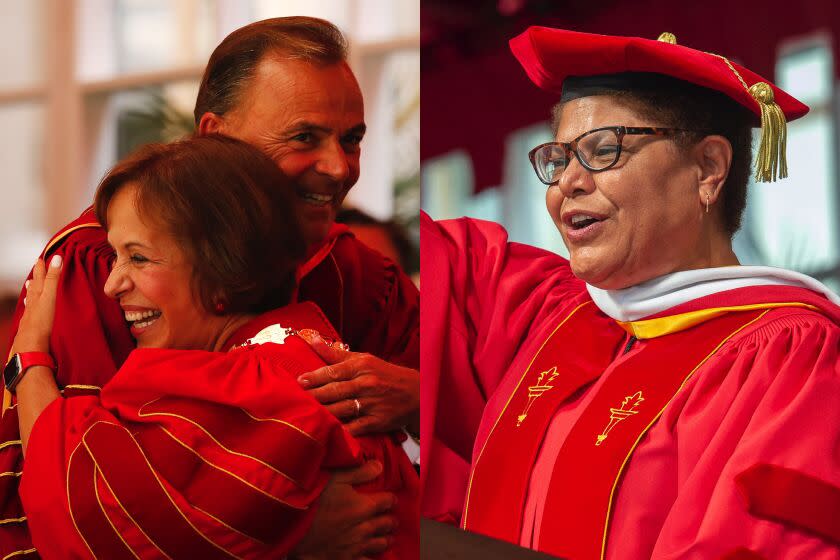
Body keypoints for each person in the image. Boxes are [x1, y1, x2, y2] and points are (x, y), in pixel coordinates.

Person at [0, 17, 419, 557]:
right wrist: (291, 541)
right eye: (304, 137)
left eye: (352, 139)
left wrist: (413, 395)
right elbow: (91, 500)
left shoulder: (355, 271)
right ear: (216, 137)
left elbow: (477, 422)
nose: (339, 168)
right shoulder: (100, 266)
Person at [421, 27, 840, 559]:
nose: (566, 182)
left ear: (708, 168)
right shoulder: (543, 316)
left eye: (603, 150)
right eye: (557, 158)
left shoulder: (792, 360)